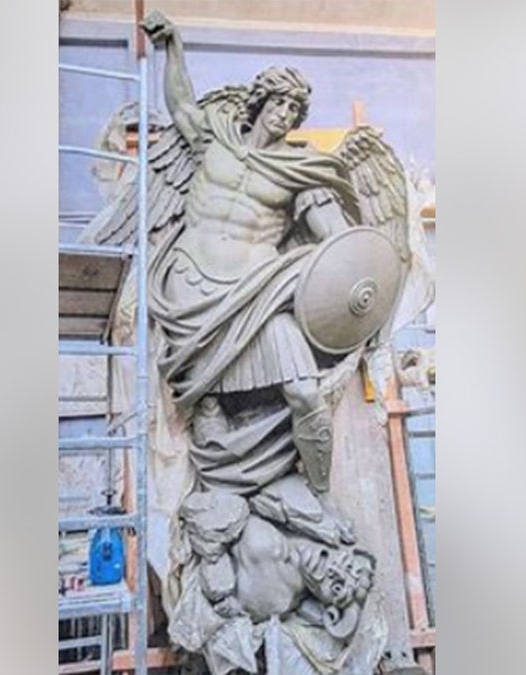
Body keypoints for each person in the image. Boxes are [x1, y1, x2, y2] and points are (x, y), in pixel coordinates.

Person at [142, 10, 361, 497]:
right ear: (261, 102)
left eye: (293, 111)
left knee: (304, 392)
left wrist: (360, 273)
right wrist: (174, 45)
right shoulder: (214, 138)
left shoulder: (299, 172)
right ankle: (220, 509)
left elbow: (338, 245)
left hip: (257, 294)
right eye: (279, 104)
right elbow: (180, 102)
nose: (284, 116)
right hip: (191, 287)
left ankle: (320, 498)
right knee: (208, 413)